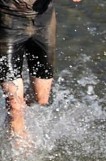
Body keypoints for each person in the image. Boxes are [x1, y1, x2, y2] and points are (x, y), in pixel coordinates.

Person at [1, 0, 82, 148]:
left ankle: (14, 124)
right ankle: (20, 158)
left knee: (41, 100)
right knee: (14, 105)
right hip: (7, 19)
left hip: (43, 20)